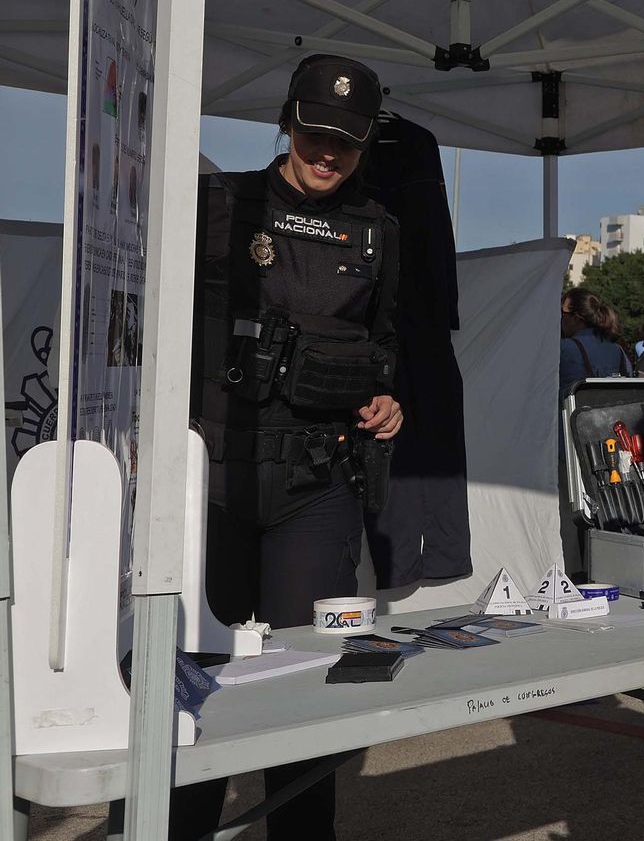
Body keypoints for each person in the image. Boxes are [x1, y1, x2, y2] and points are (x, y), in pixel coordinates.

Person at [175, 54, 402, 840]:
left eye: (347, 141)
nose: (328, 153)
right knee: (193, 686)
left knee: (304, 687)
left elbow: (385, 344)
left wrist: (388, 399)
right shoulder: (218, 204)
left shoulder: (378, 231)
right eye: (315, 135)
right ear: (286, 123)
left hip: (316, 487)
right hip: (212, 483)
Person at [558, 287, 632, 395]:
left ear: (577, 318)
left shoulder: (562, 349)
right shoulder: (618, 351)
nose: (561, 318)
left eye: (563, 313)